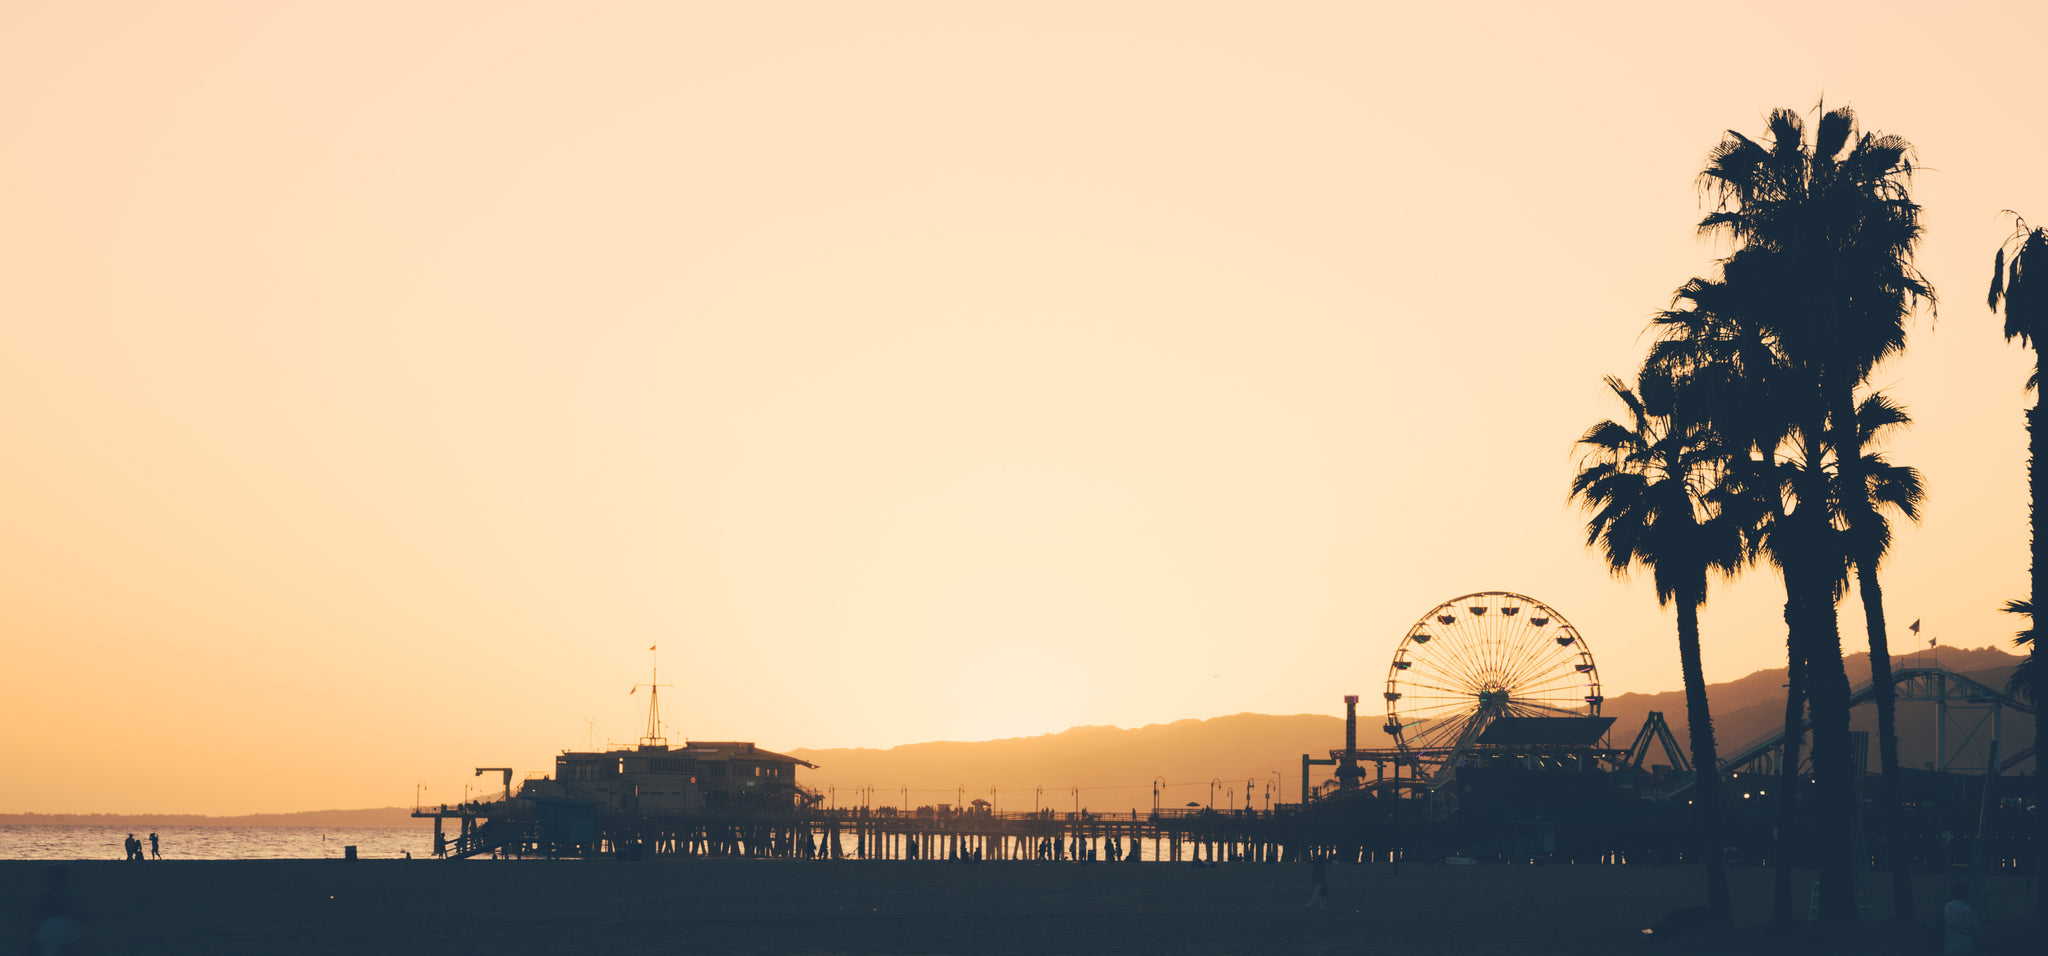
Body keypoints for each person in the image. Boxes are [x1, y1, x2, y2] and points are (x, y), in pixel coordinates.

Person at [1943, 881, 1981, 955]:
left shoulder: (1947, 906)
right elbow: (1978, 929)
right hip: (1965, 947)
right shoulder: (1967, 909)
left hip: (1949, 947)